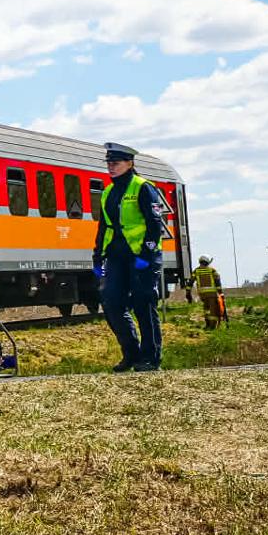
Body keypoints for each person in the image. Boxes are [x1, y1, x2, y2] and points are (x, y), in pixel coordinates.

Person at [93, 142, 168, 372]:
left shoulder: (144, 188)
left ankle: (150, 358)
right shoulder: (108, 192)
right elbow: (104, 226)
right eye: (109, 163)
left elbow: (155, 225)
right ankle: (131, 354)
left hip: (141, 256)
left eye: (115, 163)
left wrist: (146, 254)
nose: (111, 167)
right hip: (116, 257)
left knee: (143, 304)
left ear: (130, 163)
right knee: (112, 303)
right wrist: (97, 255)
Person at [189, 255, 225, 329]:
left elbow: (190, 282)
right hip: (212, 294)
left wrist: (188, 292)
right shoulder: (212, 270)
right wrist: (220, 292)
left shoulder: (196, 271)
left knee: (206, 310)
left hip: (203, 295)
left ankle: (207, 324)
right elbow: (217, 282)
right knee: (213, 310)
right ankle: (212, 326)